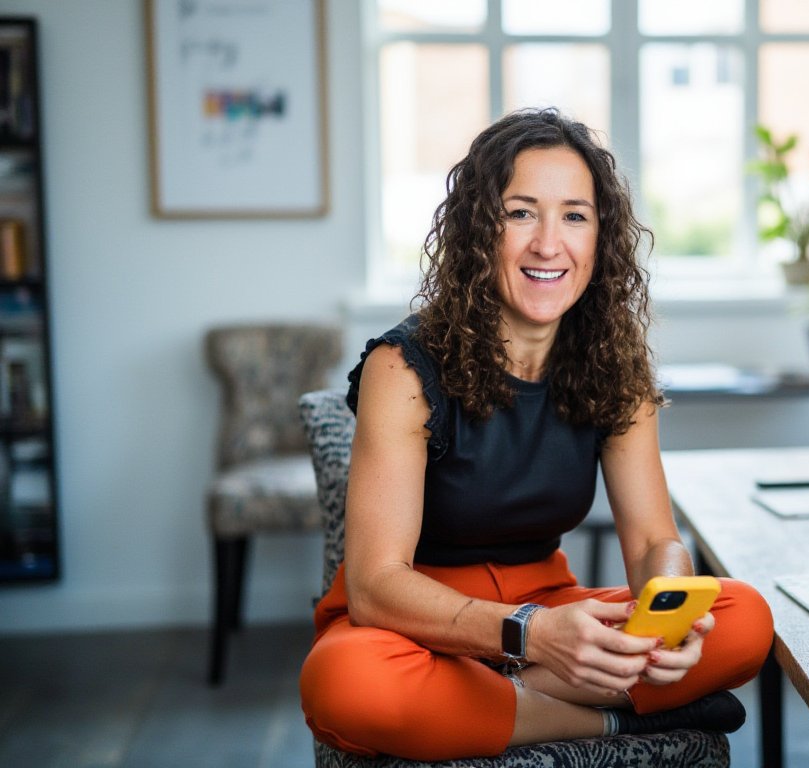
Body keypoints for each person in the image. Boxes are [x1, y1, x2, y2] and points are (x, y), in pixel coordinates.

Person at [299, 108, 774, 761]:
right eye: (521, 213)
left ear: (601, 239)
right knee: (349, 683)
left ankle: (487, 703)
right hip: (419, 623)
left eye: (574, 216)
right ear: (476, 231)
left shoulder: (614, 362)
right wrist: (530, 635)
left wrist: (672, 606)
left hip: (554, 604)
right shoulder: (401, 367)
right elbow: (376, 584)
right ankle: (608, 720)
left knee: (744, 618)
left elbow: (654, 542)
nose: (549, 244)